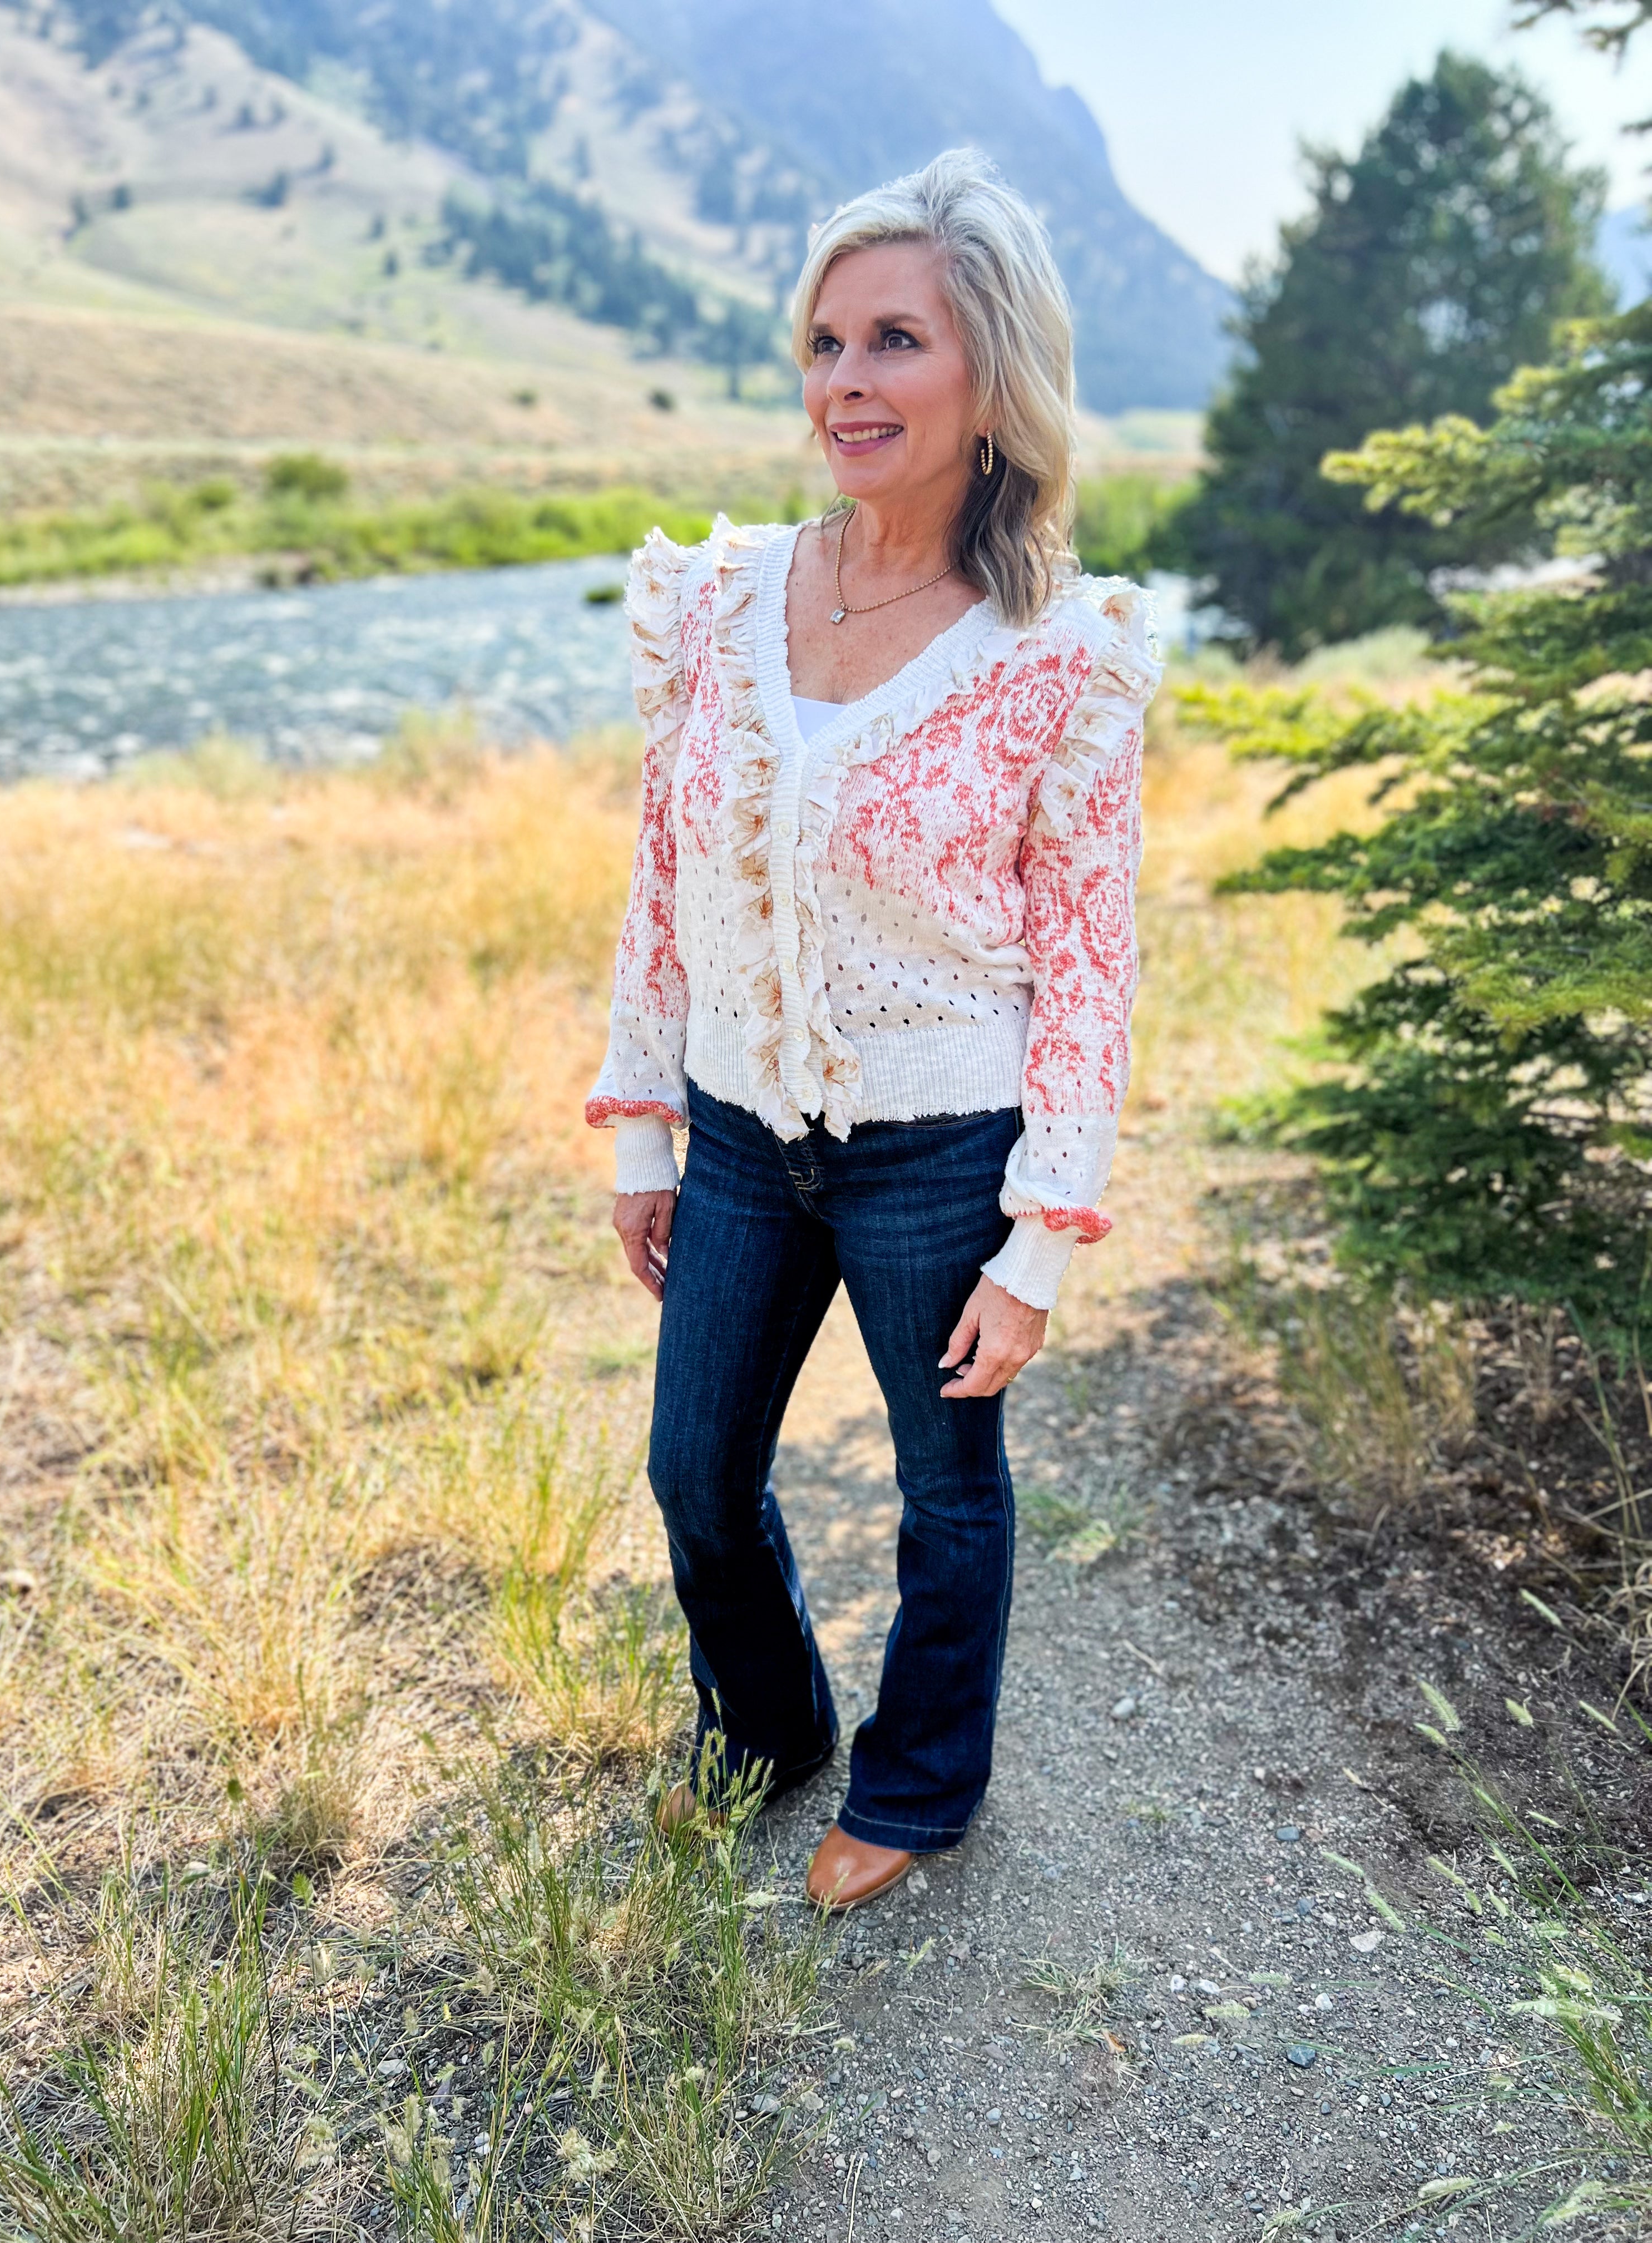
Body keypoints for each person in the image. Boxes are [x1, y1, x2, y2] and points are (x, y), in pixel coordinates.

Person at [586, 149, 1161, 1910]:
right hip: (744, 1132)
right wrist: (643, 1125)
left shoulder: (1059, 653)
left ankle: (915, 1794)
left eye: (895, 340)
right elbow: (664, 876)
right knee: (697, 1473)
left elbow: (1088, 961)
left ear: (990, 377)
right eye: (825, 343)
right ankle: (766, 1730)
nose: (846, 382)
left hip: (941, 1150)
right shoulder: (722, 595)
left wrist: (1041, 1238)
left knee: (946, 1498)